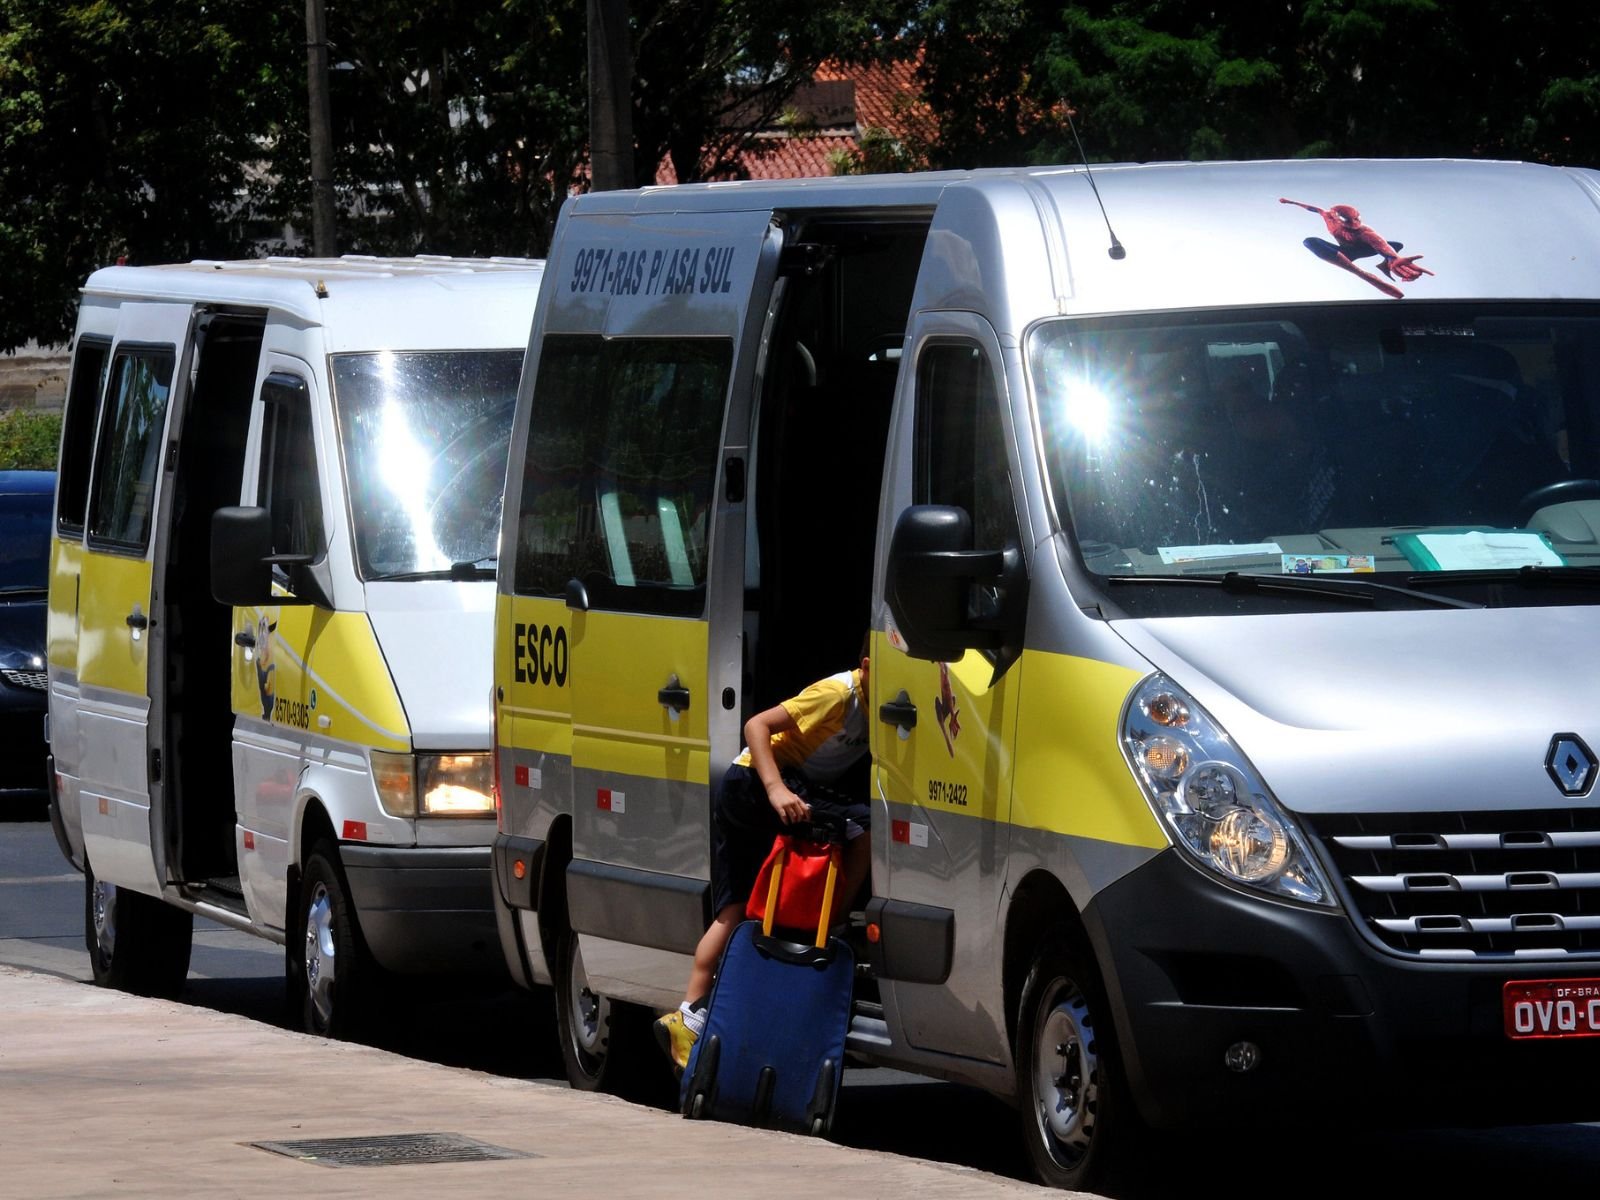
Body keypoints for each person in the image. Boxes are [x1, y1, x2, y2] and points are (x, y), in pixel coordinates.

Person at [653, 644, 872, 1073]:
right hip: (755, 783)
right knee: (860, 828)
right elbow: (757, 725)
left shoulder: (880, 708)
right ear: (866, 665)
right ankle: (839, 924)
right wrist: (775, 790)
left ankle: (687, 1018)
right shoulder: (838, 693)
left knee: (734, 909)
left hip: (749, 786)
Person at [1279, 197, 1433, 299]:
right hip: (1343, 253)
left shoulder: (1365, 232)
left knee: (1394, 245)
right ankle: (1361, 273)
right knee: (1310, 241)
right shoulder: (1327, 216)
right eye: (1348, 221)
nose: (1354, 224)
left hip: (1363, 249)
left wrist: (1393, 258)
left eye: (1356, 219)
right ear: (1334, 217)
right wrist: (1290, 202)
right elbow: (1313, 208)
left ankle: (1386, 264)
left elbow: (1380, 243)